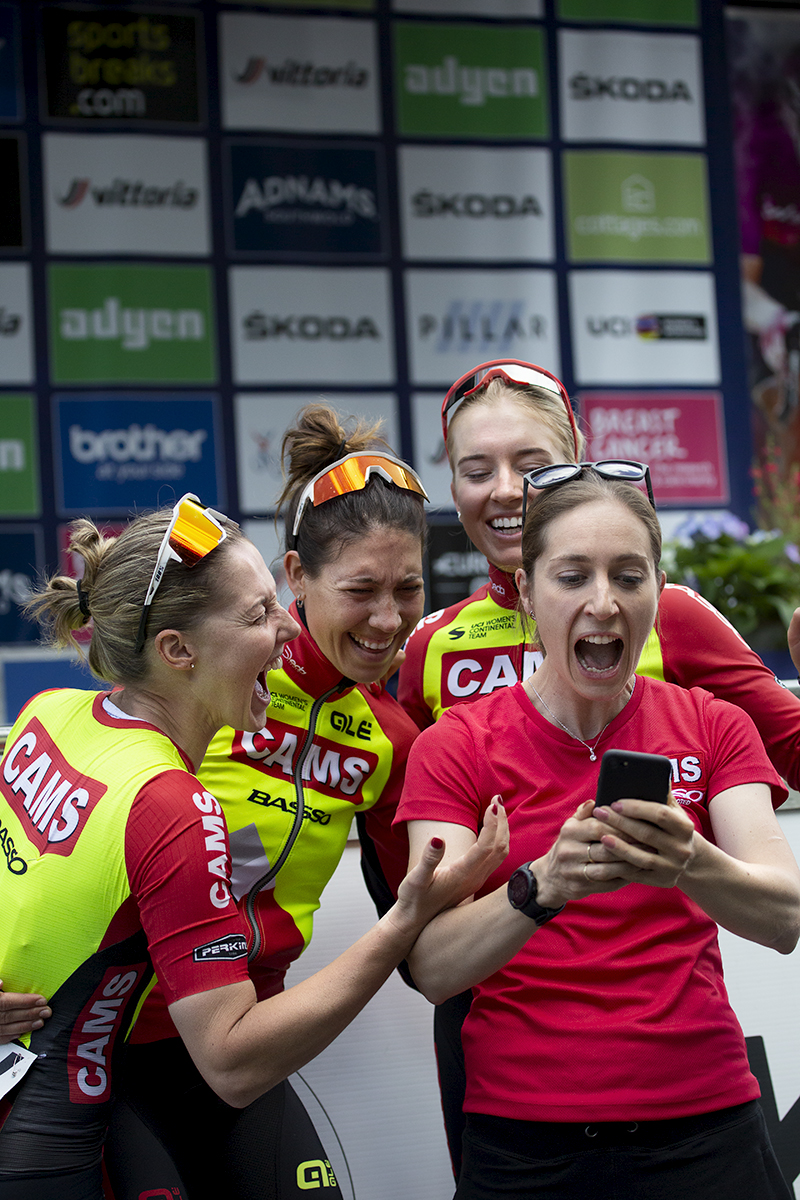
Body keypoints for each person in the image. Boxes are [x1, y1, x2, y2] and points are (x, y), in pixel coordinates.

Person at [0, 494, 506, 1200]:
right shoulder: (173, 805)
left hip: (128, 1077)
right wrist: (401, 924)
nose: (285, 631)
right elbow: (233, 1060)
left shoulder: (49, 712)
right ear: (177, 651)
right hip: (97, 1104)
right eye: (258, 615)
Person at [396, 358, 800, 1175]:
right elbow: (423, 945)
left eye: (627, 577)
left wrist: (687, 860)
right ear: (527, 590)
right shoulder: (435, 659)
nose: (603, 603)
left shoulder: (695, 677)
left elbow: (784, 900)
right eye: (478, 470)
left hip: (701, 1106)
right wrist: (539, 884)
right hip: (514, 1086)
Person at [101, 403, 439, 1199]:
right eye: (361, 589)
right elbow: (52, 825)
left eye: (410, 588)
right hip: (111, 1045)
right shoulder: (214, 670)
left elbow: (426, 939)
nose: (388, 619)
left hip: (246, 1051)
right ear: (296, 578)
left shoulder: (390, 737)